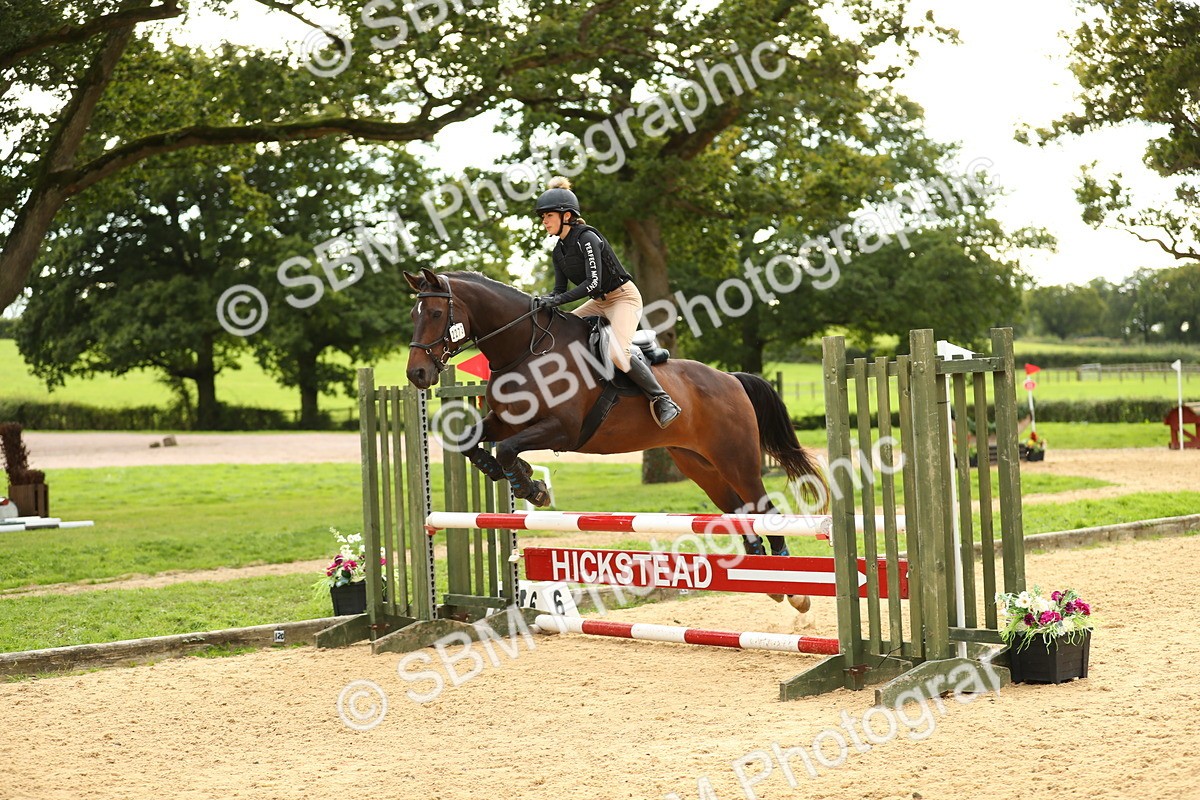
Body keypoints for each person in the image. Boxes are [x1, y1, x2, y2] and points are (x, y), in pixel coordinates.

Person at [533, 176, 681, 428]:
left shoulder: (587, 238)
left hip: (623, 298)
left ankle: (662, 399)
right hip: (598, 303)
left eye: (548, 216)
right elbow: (559, 290)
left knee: (617, 354)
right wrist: (539, 302)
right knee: (558, 331)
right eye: (543, 217)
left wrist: (557, 300)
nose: (544, 221)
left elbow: (593, 283)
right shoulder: (558, 251)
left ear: (566, 216)